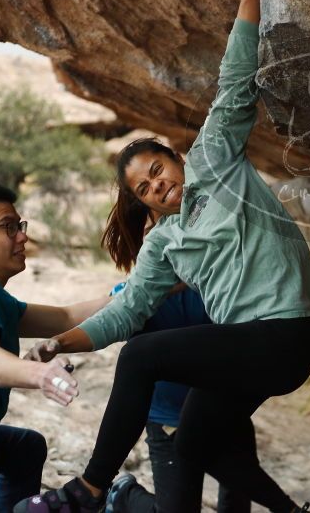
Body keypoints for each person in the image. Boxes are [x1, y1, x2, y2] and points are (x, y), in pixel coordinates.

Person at [16, 0, 310, 511]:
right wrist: (62, 342)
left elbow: (234, 82)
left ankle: (90, 488)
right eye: (144, 188)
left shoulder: (215, 161)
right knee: (196, 442)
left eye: (157, 170)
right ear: (145, 202)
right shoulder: (164, 244)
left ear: (176, 160)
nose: (157, 185)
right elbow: (127, 309)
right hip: (246, 348)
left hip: (283, 334)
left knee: (141, 358)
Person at [0, 182, 110, 513]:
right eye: (8, 227)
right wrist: (41, 373)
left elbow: (66, 316)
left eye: (20, 226)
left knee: (24, 447)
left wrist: (141, 289)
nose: (22, 236)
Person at [102, 209, 252, 513]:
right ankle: (124, 493)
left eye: (167, 225)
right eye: (148, 231)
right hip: (168, 421)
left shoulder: (217, 283)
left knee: (238, 500)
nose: (160, 235)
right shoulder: (131, 294)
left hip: (225, 411)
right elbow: (108, 319)